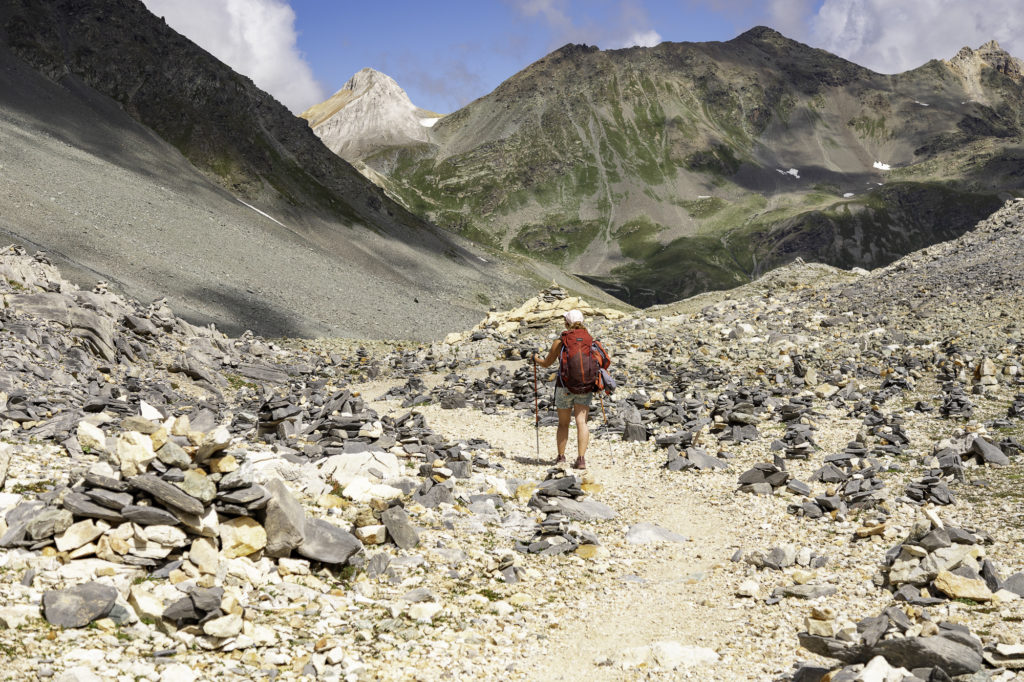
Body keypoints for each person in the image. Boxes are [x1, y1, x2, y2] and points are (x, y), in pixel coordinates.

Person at [532, 309, 608, 469]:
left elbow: (546, 363)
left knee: (563, 424)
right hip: (585, 386)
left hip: (564, 387)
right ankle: (581, 459)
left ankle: (560, 458)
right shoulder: (590, 340)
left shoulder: (561, 341)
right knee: (582, 422)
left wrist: (535, 359)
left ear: (566, 323)